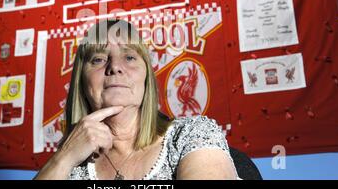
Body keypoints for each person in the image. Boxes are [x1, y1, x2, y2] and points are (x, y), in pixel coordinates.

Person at [35, 19, 238, 180]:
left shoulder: (192, 134)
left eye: (129, 57)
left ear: (146, 78)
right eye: (98, 59)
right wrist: (64, 157)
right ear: (81, 82)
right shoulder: (72, 166)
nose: (114, 66)